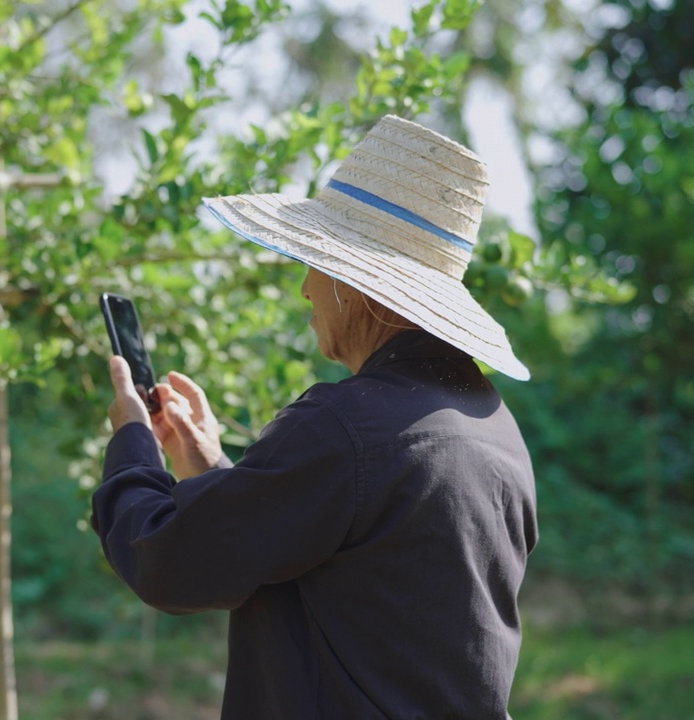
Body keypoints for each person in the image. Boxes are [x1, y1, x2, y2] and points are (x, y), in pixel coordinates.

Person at [92, 114, 538, 719]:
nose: (305, 289)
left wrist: (132, 444)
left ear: (354, 285)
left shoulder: (343, 427)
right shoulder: (490, 425)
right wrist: (210, 467)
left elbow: (166, 562)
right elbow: (338, 556)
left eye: (314, 264)